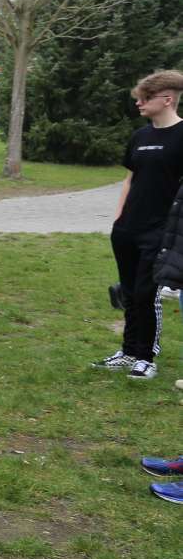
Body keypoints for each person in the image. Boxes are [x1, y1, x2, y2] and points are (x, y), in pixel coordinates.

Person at [95, 70, 183, 379]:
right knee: (129, 293)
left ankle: (147, 357)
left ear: (167, 99)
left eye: (145, 99)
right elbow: (129, 178)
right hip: (127, 229)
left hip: (160, 231)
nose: (139, 104)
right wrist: (119, 219)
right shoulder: (140, 136)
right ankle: (128, 350)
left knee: (147, 294)